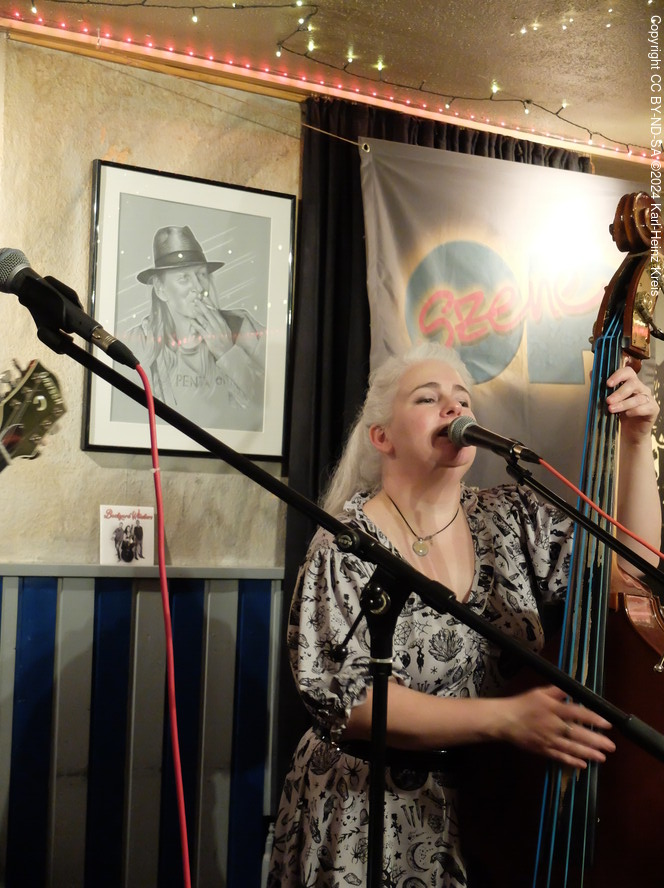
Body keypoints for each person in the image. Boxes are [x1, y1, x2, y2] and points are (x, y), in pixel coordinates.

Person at [267, 341, 661, 888]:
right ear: (381, 437)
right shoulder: (347, 542)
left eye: (463, 398)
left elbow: (632, 569)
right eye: (428, 398)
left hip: (493, 808)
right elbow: (348, 700)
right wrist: (504, 718)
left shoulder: (511, 517)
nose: (454, 408)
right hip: (367, 809)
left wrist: (636, 441)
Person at [126, 225, 266, 430]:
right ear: (160, 289)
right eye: (184, 278)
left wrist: (227, 352)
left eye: (201, 275)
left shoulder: (243, 327)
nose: (199, 288)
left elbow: (273, 400)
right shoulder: (140, 342)